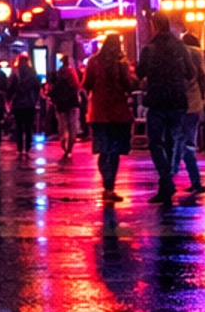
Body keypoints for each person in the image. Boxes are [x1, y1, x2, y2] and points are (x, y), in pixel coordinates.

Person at [136, 12, 193, 204]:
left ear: (154, 25)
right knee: (171, 141)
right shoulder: (180, 47)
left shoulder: (149, 49)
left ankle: (166, 180)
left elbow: (140, 72)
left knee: (155, 142)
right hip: (177, 100)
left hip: (157, 100)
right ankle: (166, 181)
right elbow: (190, 72)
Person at [83, 33, 135, 202]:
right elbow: (128, 85)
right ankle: (109, 187)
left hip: (98, 112)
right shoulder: (122, 63)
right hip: (118, 112)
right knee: (114, 151)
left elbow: (87, 84)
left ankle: (107, 184)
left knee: (103, 149)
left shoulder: (94, 61)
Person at [178, 33, 205, 197]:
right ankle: (195, 181)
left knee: (177, 142)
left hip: (176, 104)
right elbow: (203, 79)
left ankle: (170, 179)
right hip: (194, 103)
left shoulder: (177, 54)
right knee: (189, 143)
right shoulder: (198, 54)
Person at [48, 54, 81, 161]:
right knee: (72, 126)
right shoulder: (72, 73)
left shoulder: (59, 74)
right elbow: (77, 86)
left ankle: (63, 140)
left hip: (61, 104)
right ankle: (70, 148)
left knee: (63, 124)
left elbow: (53, 89)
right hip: (72, 102)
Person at [9, 53, 41, 157]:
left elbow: (11, 88)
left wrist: (9, 100)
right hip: (30, 103)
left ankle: (19, 148)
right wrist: (36, 99)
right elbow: (37, 87)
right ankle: (27, 148)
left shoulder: (16, 73)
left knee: (19, 126)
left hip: (18, 103)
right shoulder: (32, 72)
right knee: (28, 126)